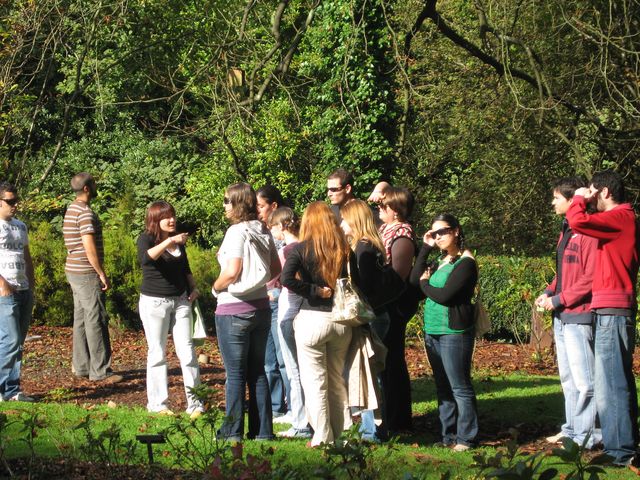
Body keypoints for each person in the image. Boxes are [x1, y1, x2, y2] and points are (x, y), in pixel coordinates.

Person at [566, 170, 639, 466]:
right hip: (612, 307)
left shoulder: (620, 217)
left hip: (613, 308)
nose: (588, 197)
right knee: (615, 379)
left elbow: (577, 221)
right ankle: (623, 445)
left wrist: (579, 200)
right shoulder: (624, 219)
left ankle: (619, 452)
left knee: (611, 383)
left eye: (593, 192)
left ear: (605, 192)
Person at [281, 201, 357, 446]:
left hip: (312, 319)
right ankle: (340, 435)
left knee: (315, 382)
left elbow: (286, 279)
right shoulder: (344, 249)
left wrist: (313, 290)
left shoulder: (301, 249)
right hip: (341, 320)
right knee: (336, 379)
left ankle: (322, 435)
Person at [213, 183, 281, 441]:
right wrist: (257, 285)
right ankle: (263, 431)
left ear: (238, 203)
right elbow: (275, 268)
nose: (224, 205)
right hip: (261, 308)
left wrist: (215, 286)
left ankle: (232, 431)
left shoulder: (235, 232)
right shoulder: (261, 228)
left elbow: (232, 271)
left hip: (233, 310)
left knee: (235, 374)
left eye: (227, 201)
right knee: (258, 371)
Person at [535, 177, 599, 448]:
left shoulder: (589, 232)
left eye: (556, 198)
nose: (552, 202)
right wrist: (550, 292)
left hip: (579, 314)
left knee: (585, 380)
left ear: (573, 200)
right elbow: (565, 274)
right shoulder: (567, 231)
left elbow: (591, 277)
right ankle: (572, 430)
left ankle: (587, 436)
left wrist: (559, 299)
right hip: (563, 314)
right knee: (568, 378)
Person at [410, 213, 479, 451]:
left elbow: (445, 295)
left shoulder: (466, 263)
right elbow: (413, 280)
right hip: (433, 330)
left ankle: (466, 438)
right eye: (434, 233)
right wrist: (425, 247)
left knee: (459, 386)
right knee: (442, 386)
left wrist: (425, 284)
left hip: (454, 332)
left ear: (457, 231)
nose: (438, 236)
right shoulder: (440, 261)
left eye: (443, 232)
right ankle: (447, 435)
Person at [137, 201, 203, 417]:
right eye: (166, 216)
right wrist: (169, 242)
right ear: (155, 219)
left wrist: (194, 288)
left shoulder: (179, 243)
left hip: (181, 301)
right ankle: (158, 404)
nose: (172, 219)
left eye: (173, 215)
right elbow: (146, 259)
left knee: (188, 352)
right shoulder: (146, 238)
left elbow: (186, 269)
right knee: (157, 352)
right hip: (155, 303)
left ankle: (196, 404)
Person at [340, 199, 392, 442]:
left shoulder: (362, 248)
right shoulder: (372, 244)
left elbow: (364, 287)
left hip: (370, 316)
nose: (341, 224)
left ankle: (372, 430)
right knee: (374, 373)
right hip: (379, 314)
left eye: (344, 219)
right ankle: (374, 427)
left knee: (367, 373)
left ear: (354, 220)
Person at [63, 173, 121, 383]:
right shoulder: (85, 212)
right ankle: (100, 371)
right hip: (86, 272)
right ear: (87, 188)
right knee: (96, 318)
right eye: (94, 184)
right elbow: (89, 246)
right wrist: (100, 272)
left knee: (81, 318)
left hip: (73, 270)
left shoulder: (71, 209)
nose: (96, 187)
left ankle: (81, 366)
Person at [268, 207, 312, 439]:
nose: (271, 230)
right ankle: (307, 419)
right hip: (302, 309)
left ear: (282, 226)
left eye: (272, 226)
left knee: (295, 369)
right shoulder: (306, 246)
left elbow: (281, 280)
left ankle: (301, 422)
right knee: (304, 368)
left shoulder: (287, 251)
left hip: (290, 309)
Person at [378, 186, 417, 433]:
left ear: (395, 210)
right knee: (385, 363)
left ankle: (398, 420)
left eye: (383, 206)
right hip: (383, 302)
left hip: (393, 305)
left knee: (393, 362)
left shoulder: (403, 234)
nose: (379, 210)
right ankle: (388, 416)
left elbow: (399, 273)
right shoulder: (385, 229)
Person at [256, 185, 290, 421]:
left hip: (277, 297)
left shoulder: (281, 231)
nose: (257, 210)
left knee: (283, 356)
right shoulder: (257, 229)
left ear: (273, 206)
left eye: (260, 205)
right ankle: (276, 405)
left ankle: (291, 405)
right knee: (268, 359)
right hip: (261, 297)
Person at [0, 182, 35, 402]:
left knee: (19, 342)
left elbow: (26, 256)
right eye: (10, 202)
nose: (14, 205)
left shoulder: (20, 226)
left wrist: (31, 284)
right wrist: (2, 284)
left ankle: (12, 390)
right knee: (10, 340)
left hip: (23, 289)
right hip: (5, 291)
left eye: (16, 201)